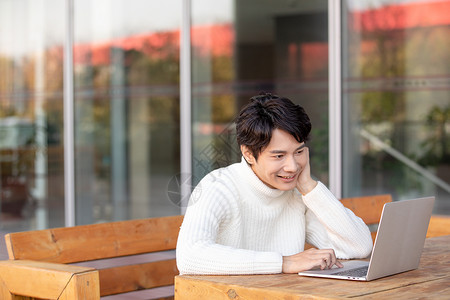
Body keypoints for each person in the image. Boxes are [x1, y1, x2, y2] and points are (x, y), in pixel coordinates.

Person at [176, 93, 373, 275]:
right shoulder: (218, 187)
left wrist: (308, 187)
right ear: (248, 154)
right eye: (279, 156)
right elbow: (189, 256)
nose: (292, 167)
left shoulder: (298, 193)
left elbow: (359, 247)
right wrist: (284, 263)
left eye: (299, 152)